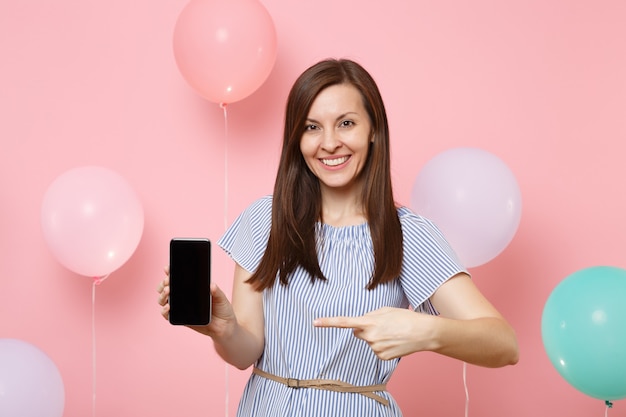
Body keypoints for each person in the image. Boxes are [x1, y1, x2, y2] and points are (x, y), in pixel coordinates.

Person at [157, 58, 519, 416]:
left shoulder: (408, 235)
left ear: (373, 129)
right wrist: (223, 329)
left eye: (345, 123)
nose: (329, 143)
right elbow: (245, 353)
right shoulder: (264, 219)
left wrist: (425, 330)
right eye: (312, 127)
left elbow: (503, 343)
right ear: (297, 139)